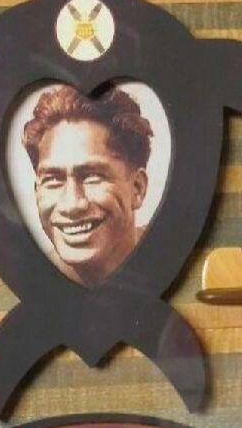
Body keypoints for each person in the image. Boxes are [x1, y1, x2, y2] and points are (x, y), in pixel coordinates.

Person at [22, 85, 154, 285]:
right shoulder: (31, 279)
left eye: (92, 176)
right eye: (53, 179)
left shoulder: (168, 254)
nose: (72, 205)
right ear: (37, 191)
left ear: (138, 188)